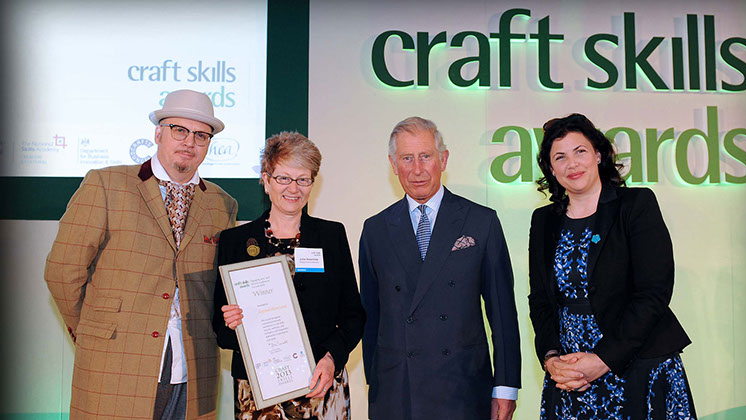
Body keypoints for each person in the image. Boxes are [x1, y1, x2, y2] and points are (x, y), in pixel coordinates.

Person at [45, 89, 238, 419]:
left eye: (201, 135)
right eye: (179, 130)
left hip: (194, 370)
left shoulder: (223, 204)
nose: (189, 142)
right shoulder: (106, 184)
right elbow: (62, 271)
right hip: (114, 364)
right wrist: (94, 329)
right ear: (158, 133)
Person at [528, 113, 697, 419]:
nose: (572, 164)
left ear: (598, 154)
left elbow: (653, 293)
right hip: (571, 376)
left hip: (637, 363)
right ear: (551, 169)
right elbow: (540, 299)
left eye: (580, 151)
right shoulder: (543, 221)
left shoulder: (636, 205)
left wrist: (603, 359)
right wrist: (551, 359)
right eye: (560, 157)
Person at [359, 117, 521, 420]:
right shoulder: (375, 229)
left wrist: (506, 386)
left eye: (426, 156)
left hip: (462, 388)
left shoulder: (481, 222)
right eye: (407, 158)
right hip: (397, 392)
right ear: (393, 165)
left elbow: (502, 313)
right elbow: (370, 317)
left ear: (443, 159)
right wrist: (376, 382)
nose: (417, 169)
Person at [213, 132, 365, 419]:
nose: (293, 188)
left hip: (321, 385)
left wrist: (331, 357)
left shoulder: (331, 236)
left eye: (303, 179)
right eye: (283, 178)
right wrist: (232, 323)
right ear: (266, 180)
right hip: (258, 393)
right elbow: (220, 329)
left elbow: (353, 316)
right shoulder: (235, 241)